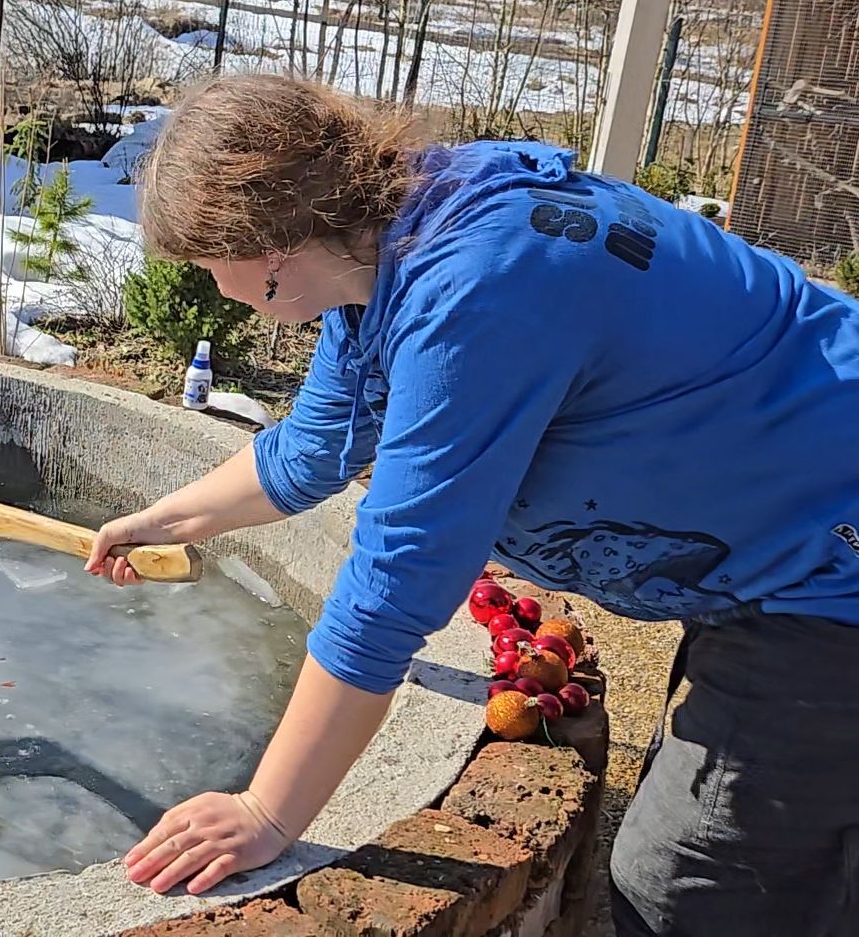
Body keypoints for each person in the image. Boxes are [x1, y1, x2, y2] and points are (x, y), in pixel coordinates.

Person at [84, 73, 859, 935]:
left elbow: (397, 582)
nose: (211, 287)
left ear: (267, 245)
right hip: (780, 554)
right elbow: (311, 452)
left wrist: (268, 813)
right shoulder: (386, 249)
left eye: (204, 265)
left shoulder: (477, 290)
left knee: (685, 891)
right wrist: (157, 521)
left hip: (829, 569)